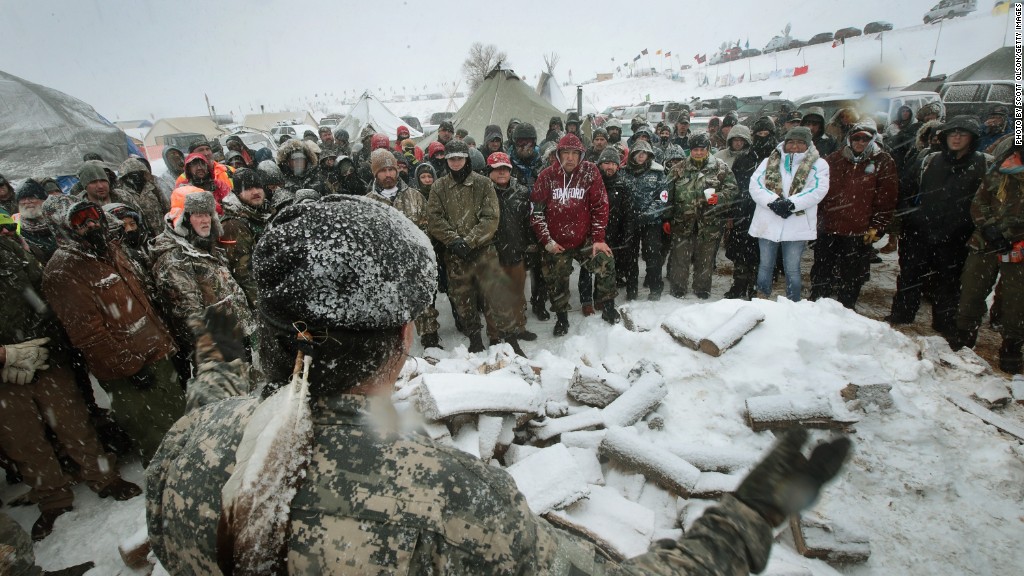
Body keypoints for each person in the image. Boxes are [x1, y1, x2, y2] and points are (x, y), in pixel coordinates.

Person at [145, 195, 852, 574]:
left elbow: (229, 395)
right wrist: (751, 513)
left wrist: (224, 356)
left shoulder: (188, 450)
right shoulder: (449, 499)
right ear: (406, 339)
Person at [1, 219, 143, 540]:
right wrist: (5, 355)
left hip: (44, 356)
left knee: (73, 421)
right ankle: (52, 499)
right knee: (23, 439)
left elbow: (47, 297)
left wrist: (53, 343)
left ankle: (104, 477)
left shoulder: (18, 251)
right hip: (3, 374)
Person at [41, 197, 185, 463]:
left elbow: (142, 300)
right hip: (129, 373)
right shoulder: (62, 271)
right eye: (80, 221)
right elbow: (88, 335)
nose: (91, 224)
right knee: (158, 442)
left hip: (157, 355)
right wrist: (130, 368)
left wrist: (168, 343)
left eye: (93, 215)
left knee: (180, 428)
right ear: (64, 228)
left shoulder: (110, 249)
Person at [888, 116, 989, 336]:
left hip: (956, 237)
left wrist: (969, 227)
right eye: (952, 133)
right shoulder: (928, 160)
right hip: (919, 233)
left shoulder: (983, 164)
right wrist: (911, 217)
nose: (957, 137)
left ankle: (944, 323)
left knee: (948, 283)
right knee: (909, 276)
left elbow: (990, 201)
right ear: (943, 137)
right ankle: (902, 314)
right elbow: (904, 190)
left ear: (972, 138)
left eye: (963, 134)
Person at [426, 140, 524, 355]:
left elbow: (491, 217)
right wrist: (454, 241)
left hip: (483, 250)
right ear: (447, 160)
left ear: (467, 159)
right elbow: (434, 219)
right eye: (452, 158)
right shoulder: (439, 187)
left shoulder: (483, 184)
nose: (456, 162)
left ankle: (505, 338)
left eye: (460, 158)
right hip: (454, 254)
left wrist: (470, 241)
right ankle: (474, 337)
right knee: (463, 298)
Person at [531, 133, 620, 334]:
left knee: (606, 262)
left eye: (574, 153)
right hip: (557, 241)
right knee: (556, 279)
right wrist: (547, 241)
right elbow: (536, 213)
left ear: (581, 155)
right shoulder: (547, 176)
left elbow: (600, 205)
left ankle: (608, 308)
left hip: (584, 238)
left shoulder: (590, 172)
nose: (570, 158)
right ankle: (562, 319)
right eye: (565, 153)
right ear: (558, 154)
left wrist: (598, 238)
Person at [949, 141, 1023, 372]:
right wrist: (990, 228)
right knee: (971, 289)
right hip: (985, 242)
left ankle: (1012, 345)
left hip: (1019, 247)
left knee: (1017, 300)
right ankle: (964, 336)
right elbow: (979, 201)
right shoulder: (1000, 168)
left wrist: (1013, 236)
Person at [810, 120, 898, 308]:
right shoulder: (834, 159)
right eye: (856, 138)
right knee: (821, 269)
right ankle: (817, 305)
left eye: (865, 139)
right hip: (829, 226)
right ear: (850, 139)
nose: (860, 142)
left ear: (872, 140)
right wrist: (817, 222)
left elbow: (887, 198)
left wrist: (878, 226)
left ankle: (846, 308)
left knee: (852, 273)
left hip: (859, 229)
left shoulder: (883, 161)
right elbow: (820, 191)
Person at [365, 149, 442, 350]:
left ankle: (429, 335)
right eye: (383, 170)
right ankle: (393, 342)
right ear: (375, 174)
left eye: (392, 169)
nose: (388, 174)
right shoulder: (367, 203)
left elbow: (428, 228)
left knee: (423, 301)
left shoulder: (415, 197)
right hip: (386, 266)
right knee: (390, 303)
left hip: (415, 260)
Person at [749, 127, 830, 301]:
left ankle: (793, 302)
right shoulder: (770, 161)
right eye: (791, 142)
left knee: (792, 267)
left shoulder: (818, 164)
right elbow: (755, 185)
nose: (794, 146)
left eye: (800, 142)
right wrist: (774, 202)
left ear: (807, 144)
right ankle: (762, 297)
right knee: (765, 265)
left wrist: (792, 203)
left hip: (796, 223)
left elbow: (818, 189)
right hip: (768, 220)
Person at [664, 132, 738, 300]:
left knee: (705, 257)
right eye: (695, 149)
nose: (698, 153)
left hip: (709, 222)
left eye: (701, 149)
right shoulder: (679, 169)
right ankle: (678, 288)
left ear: (708, 149)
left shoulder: (720, 168)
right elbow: (667, 195)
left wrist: (718, 198)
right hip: (682, 222)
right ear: (690, 150)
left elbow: (733, 190)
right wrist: (666, 218)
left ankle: (702, 288)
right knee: (680, 257)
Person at [485, 151, 538, 344]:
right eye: (496, 169)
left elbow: (529, 223)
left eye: (505, 169)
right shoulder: (483, 192)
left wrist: (530, 248)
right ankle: (495, 334)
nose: (501, 173)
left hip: (516, 251)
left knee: (517, 293)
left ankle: (519, 327)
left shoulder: (522, 192)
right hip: (492, 254)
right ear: (489, 171)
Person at [725, 117, 777, 299]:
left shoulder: (778, 159)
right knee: (740, 251)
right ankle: (739, 284)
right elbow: (734, 187)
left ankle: (757, 286)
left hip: (768, 212)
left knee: (762, 253)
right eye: (759, 134)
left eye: (766, 134)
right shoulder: (744, 159)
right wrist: (730, 213)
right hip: (743, 211)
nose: (763, 137)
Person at [620, 140, 668, 300]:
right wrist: (628, 215)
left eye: (644, 152)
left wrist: (648, 213)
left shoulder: (658, 172)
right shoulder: (623, 172)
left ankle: (655, 288)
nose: (641, 155)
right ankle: (631, 289)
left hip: (651, 222)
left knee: (652, 255)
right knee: (630, 256)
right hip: (630, 222)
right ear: (632, 154)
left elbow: (663, 197)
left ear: (649, 155)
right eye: (637, 152)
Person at [220, 168, 272, 309]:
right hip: (259, 297)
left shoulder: (263, 212)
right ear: (238, 193)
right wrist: (264, 307)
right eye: (248, 188)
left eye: (258, 186)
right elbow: (243, 274)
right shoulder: (233, 225)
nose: (255, 191)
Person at [118, 157, 170, 235]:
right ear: (125, 177)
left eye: (138, 173)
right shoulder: (121, 195)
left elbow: (168, 210)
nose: (136, 177)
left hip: (163, 235)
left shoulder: (154, 188)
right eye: (131, 174)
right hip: (138, 238)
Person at [15, 179, 58, 263]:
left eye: (31, 198)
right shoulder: (14, 225)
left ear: (43, 200)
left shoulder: (58, 220)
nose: (27, 202)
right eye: (22, 198)